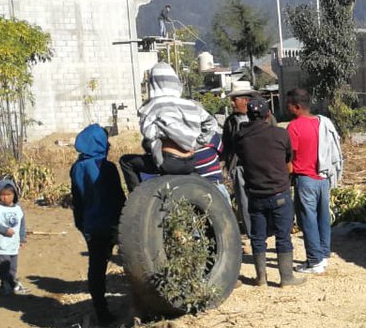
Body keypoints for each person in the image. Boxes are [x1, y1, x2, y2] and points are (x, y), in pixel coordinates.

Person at [119, 62, 218, 192]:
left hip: (168, 162)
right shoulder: (189, 105)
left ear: (153, 83)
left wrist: (163, 133)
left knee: (126, 161)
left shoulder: (153, 105)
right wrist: (197, 143)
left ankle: (138, 195)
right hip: (190, 161)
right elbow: (211, 123)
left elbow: (148, 133)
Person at [233, 95, 298, 287]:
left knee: (258, 237)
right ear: (268, 114)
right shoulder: (280, 134)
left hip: (255, 195)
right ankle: (286, 278)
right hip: (279, 192)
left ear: (248, 115)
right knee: (283, 236)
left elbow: (239, 156)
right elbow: (288, 160)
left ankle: (261, 278)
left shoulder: (241, 137)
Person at [70, 123, 126, 326]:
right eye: (106, 141)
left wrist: (81, 224)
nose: (109, 145)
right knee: (129, 260)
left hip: (90, 225)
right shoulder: (107, 168)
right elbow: (118, 197)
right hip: (111, 223)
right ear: (99, 143)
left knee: (96, 267)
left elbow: (77, 199)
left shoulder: (76, 168)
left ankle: (101, 310)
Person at [286, 86, 343, 274]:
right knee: (323, 217)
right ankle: (323, 254)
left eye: (288, 105)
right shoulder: (323, 122)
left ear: (296, 106)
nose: (287, 109)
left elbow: (290, 157)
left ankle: (314, 261)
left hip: (305, 179)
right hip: (323, 178)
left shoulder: (294, 127)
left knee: (307, 220)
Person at [220, 83, 259, 235]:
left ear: (245, 100)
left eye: (234, 99)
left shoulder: (262, 117)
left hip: (259, 166)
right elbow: (226, 145)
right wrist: (224, 165)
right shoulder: (230, 121)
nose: (232, 103)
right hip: (239, 167)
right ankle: (251, 232)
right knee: (243, 201)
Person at [0, 177, 28, 295]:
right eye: (2, 195)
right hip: (0, 242)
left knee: (13, 265)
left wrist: (22, 239)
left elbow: (21, 225)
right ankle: (5, 283)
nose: (5, 197)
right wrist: (4, 230)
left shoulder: (18, 209)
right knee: (4, 264)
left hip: (13, 243)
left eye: (8, 195)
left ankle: (12, 281)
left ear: (14, 194)